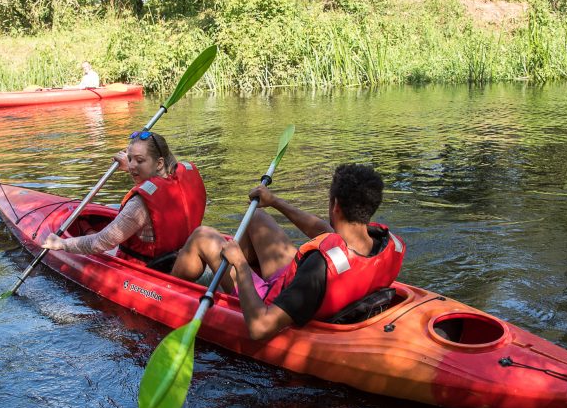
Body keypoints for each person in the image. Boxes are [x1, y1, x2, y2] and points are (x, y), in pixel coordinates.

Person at [171, 163, 404, 339]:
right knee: (257, 217)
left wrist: (240, 265)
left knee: (202, 236)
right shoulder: (381, 241)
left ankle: (165, 286)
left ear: (335, 206)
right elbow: (324, 229)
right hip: (299, 283)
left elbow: (260, 328)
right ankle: (224, 278)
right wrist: (274, 202)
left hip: (268, 303)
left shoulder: (318, 268)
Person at [41, 131, 206, 267]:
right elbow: (159, 183)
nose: (132, 165)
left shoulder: (139, 205)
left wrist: (61, 244)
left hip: (149, 269)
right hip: (177, 256)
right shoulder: (178, 178)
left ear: (159, 163)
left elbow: (100, 242)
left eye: (139, 160)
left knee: (91, 235)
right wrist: (134, 166)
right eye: (130, 159)